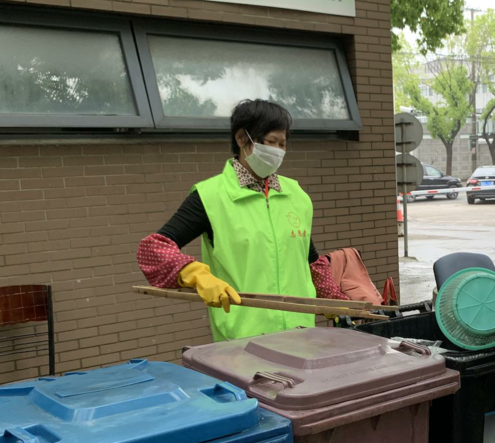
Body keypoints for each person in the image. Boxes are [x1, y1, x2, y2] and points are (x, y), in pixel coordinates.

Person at [137, 99, 347, 342]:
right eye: (271, 142)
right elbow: (153, 248)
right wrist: (197, 276)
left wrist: (332, 298)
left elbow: (308, 259)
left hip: (302, 338)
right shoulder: (210, 196)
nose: (278, 151)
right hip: (243, 344)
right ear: (241, 138)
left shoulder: (296, 195)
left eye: (283, 144)